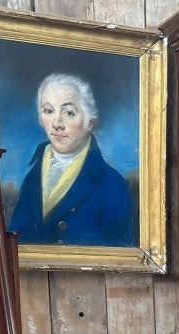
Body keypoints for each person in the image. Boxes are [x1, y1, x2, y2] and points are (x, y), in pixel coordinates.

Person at [8, 73, 137, 247]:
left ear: (89, 122)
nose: (57, 123)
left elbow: (119, 254)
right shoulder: (32, 178)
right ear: (40, 118)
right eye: (48, 111)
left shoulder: (111, 185)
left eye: (69, 113)